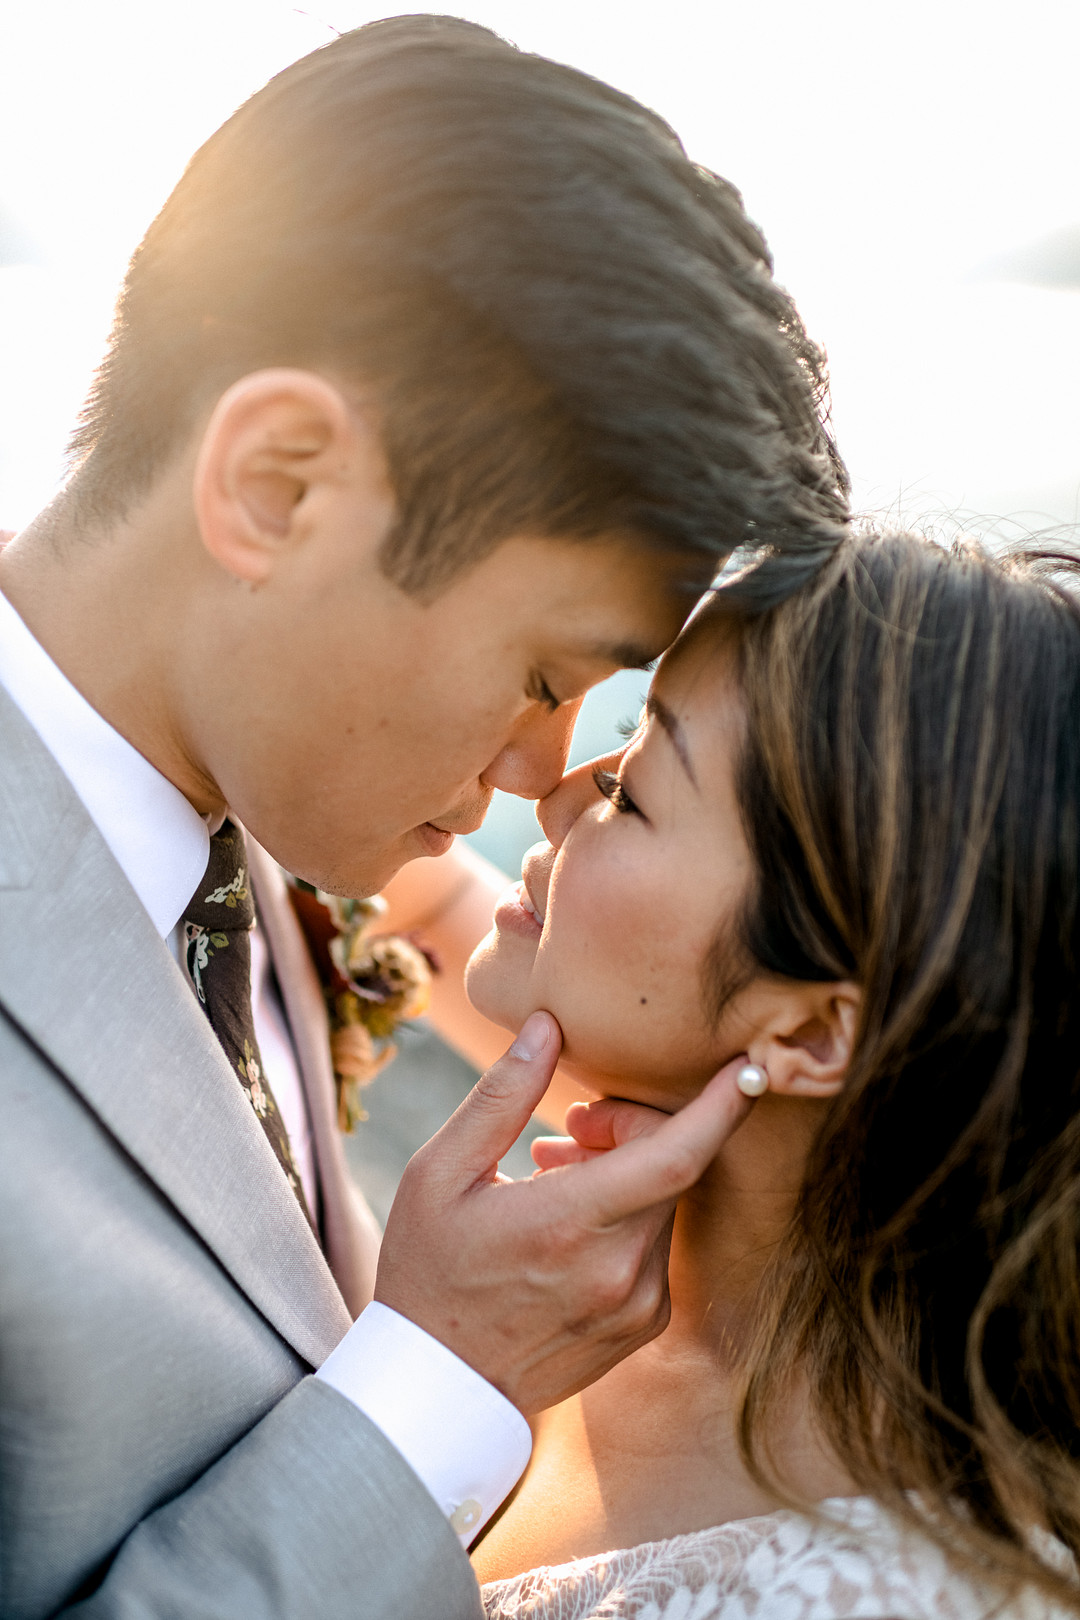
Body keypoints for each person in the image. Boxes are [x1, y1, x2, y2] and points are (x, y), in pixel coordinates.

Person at [0, 15, 848, 1620]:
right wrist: (440, 1382)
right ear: (279, 485)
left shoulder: (262, 841)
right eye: (543, 671)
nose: (550, 774)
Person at [454, 529, 1080, 1618]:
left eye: (635, 792)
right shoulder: (575, 1290)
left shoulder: (898, 1594)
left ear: (810, 1037)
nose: (556, 798)